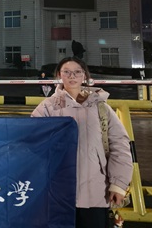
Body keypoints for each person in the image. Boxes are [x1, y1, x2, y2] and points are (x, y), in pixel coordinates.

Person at [31, 57, 132, 228]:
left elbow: (119, 145)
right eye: (67, 72)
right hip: (57, 192)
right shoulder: (47, 107)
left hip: (96, 192)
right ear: (59, 75)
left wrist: (119, 184)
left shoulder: (101, 108)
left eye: (77, 72)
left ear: (84, 75)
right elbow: (32, 141)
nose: (72, 76)